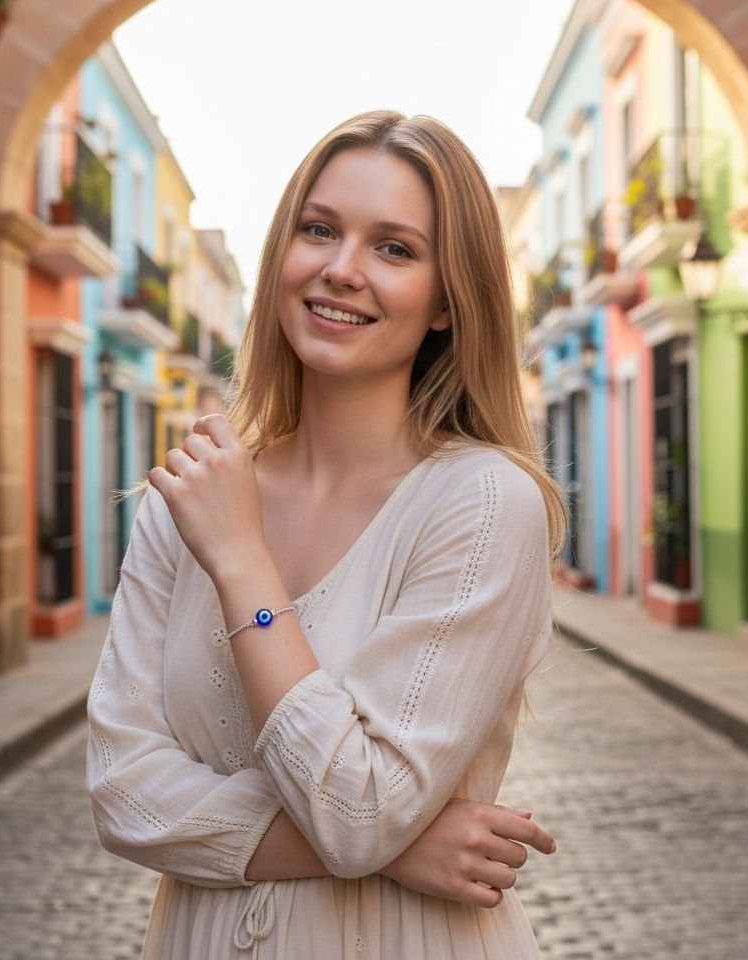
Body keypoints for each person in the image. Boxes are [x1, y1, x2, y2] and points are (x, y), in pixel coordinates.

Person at [86, 109, 566, 959]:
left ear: (449, 300)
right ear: (281, 255)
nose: (341, 270)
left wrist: (241, 561)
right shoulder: (191, 491)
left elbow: (363, 811)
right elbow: (123, 795)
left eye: (394, 248)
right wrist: (402, 848)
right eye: (319, 230)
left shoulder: (484, 503)